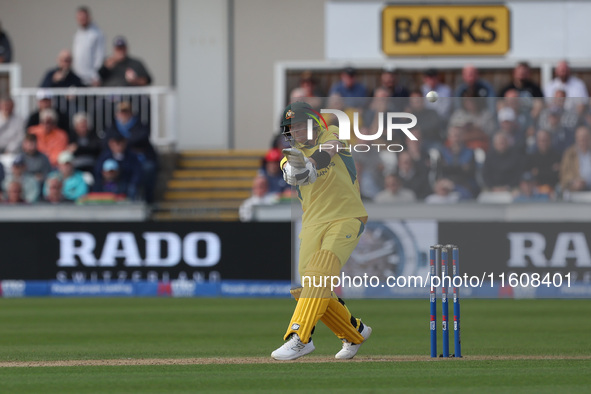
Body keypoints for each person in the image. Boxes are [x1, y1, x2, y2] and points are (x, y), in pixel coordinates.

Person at [271, 101, 372, 361]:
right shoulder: (289, 155)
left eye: (301, 125)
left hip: (346, 216)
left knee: (320, 272)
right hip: (313, 223)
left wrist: (312, 164)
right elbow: (289, 171)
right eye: (292, 128)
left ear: (314, 123)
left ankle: (299, 338)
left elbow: (331, 148)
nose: (297, 132)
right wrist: (296, 171)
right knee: (309, 287)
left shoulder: (332, 132)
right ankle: (354, 331)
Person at [103, 101, 158, 202]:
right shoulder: (112, 127)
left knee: (147, 170)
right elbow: (107, 142)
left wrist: (122, 143)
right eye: (121, 112)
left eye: (126, 112)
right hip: (121, 160)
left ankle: (148, 201)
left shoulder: (140, 126)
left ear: (131, 113)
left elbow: (141, 138)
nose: (123, 115)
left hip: (138, 160)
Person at [94, 132, 143, 201]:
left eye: (120, 144)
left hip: (126, 184)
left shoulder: (132, 157)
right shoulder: (104, 156)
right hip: (108, 185)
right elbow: (98, 172)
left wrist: (132, 184)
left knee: (132, 189)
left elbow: (137, 173)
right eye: (116, 144)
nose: (118, 146)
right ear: (110, 144)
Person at [72, 6, 105, 86]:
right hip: (78, 76)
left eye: (84, 17)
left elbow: (100, 56)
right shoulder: (78, 34)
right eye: (79, 17)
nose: (82, 19)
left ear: (89, 17)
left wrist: (95, 75)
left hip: (91, 78)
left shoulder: (96, 33)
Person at [526, 129, 561, 195]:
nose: (544, 143)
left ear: (550, 141)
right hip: (535, 194)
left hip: (553, 192)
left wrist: (539, 172)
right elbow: (531, 178)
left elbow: (557, 176)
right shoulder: (531, 158)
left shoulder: (558, 157)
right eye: (542, 141)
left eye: (546, 140)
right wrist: (550, 171)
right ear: (537, 142)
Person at [560, 125, 591, 193]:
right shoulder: (570, 154)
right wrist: (574, 182)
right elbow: (564, 175)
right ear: (576, 139)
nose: (583, 141)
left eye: (586, 138)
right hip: (576, 191)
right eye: (581, 139)